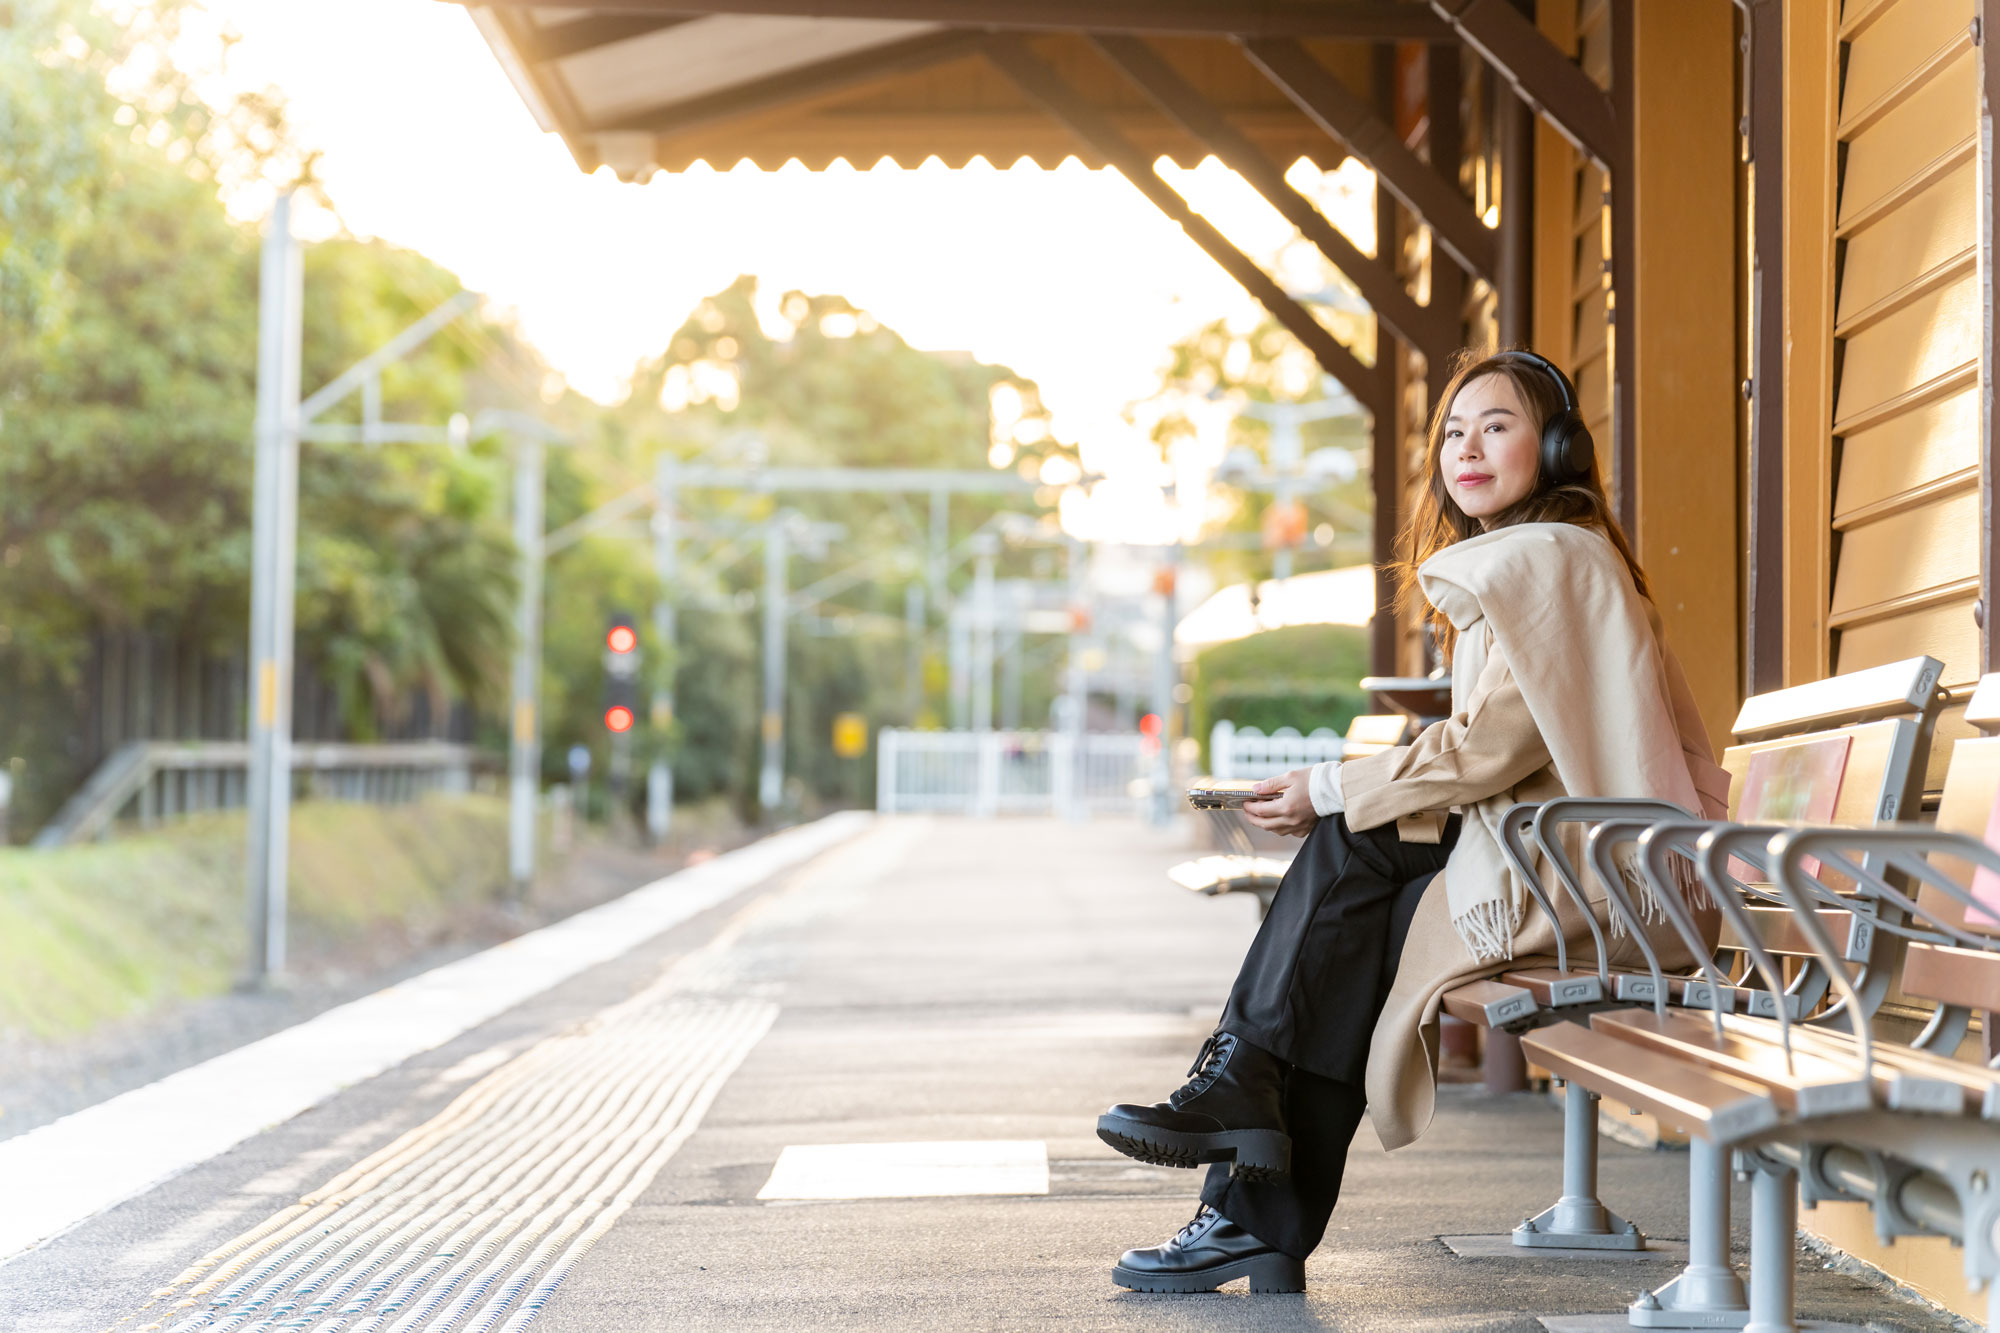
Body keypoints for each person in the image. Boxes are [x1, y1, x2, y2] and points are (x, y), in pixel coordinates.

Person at [1098, 349, 1732, 1294]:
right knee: (1351, 926)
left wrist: (1330, 786)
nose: (1466, 449)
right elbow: (1494, 751)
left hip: (1603, 876)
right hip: (1566, 857)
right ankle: (1249, 1185)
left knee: (1348, 856)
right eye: (1453, 431)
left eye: (1498, 425)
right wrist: (1340, 790)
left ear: (1554, 445)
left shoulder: (1549, 559)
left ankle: (1246, 1152)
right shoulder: (1536, 558)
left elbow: (1487, 750)